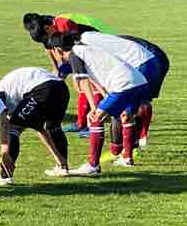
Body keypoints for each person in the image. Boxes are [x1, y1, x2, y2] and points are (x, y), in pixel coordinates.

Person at [46, 31, 150, 176]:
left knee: (95, 119)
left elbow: (83, 81)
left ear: (57, 50)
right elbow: (94, 77)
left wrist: (94, 108)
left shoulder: (74, 55)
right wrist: (104, 95)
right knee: (126, 117)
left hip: (124, 84)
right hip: (140, 82)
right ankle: (127, 158)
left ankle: (93, 166)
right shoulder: (84, 49)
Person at [68, 31, 167, 164]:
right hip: (149, 60)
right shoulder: (91, 37)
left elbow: (87, 79)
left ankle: (117, 151)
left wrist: (97, 105)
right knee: (132, 108)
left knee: (121, 111)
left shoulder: (83, 47)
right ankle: (128, 152)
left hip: (141, 63)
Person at [0, 66, 71, 184]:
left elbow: (5, 124)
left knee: (13, 129)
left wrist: (4, 152)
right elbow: (41, 130)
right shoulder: (14, 101)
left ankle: (5, 177)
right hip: (61, 88)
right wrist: (59, 158)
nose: (0, 121)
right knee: (52, 127)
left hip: (42, 89)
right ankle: (63, 167)